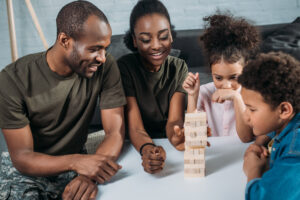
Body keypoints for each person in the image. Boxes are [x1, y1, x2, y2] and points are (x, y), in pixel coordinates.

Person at [0, 1, 126, 199]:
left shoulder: (105, 66)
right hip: (27, 171)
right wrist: (77, 162)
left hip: (77, 167)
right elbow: (23, 157)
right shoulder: (12, 79)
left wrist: (88, 175)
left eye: (105, 49)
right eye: (94, 49)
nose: (102, 57)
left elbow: (114, 132)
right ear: (65, 40)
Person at [117, 0, 188, 174]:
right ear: (134, 41)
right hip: (136, 146)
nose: (156, 45)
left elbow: (174, 121)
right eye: (146, 39)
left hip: (168, 143)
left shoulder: (179, 67)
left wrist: (177, 137)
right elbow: (135, 127)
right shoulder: (125, 68)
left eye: (163, 36)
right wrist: (148, 149)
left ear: (171, 35)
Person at [182, 13, 260, 142]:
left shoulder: (253, 94)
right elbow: (193, 135)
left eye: (233, 77)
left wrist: (236, 98)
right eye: (218, 78)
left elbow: (246, 138)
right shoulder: (204, 92)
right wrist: (192, 96)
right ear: (211, 72)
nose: (226, 85)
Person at [239, 52, 300, 200]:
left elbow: (262, 197)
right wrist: (258, 143)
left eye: (252, 109)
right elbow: (276, 129)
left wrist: (253, 170)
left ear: (284, 110)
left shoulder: (294, 153)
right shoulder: (290, 122)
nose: (245, 116)